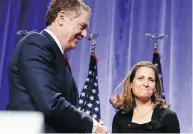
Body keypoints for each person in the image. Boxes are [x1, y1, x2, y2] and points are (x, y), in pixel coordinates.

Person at [6, 0, 107, 133]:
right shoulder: (35, 44)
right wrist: (91, 125)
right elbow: (50, 103)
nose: (84, 34)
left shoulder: (58, 56)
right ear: (61, 18)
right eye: (82, 26)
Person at [110, 61, 180, 133]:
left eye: (151, 80)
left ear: (155, 87)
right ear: (131, 84)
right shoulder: (120, 118)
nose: (146, 84)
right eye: (140, 78)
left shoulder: (168, 117)